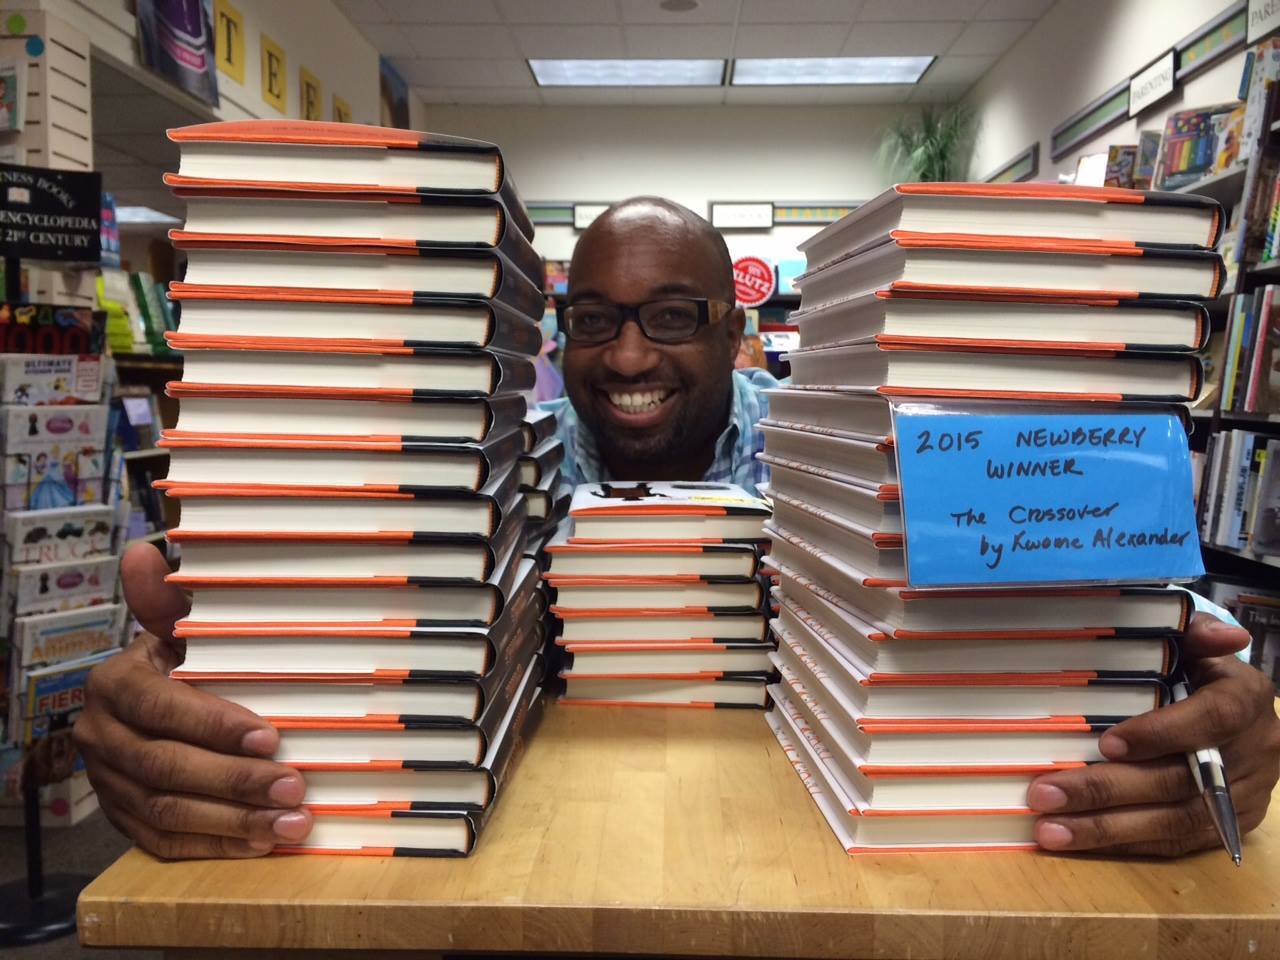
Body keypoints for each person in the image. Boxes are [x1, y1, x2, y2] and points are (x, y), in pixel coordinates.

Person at [74, 197, 1278, 860]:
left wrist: (1209, 708)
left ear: (738, 334)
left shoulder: (863, 457)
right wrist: (190, 689)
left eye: (672, 316)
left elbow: (1161, 618)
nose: (631, 356)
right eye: (593, 320)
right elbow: (273, 637)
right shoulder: (476, 477)